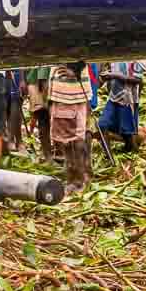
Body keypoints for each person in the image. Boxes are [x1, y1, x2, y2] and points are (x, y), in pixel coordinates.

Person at [49, 61, 92, 193]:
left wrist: (75, 71)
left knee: (72, 140)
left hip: (69, 94)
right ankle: (79, 176)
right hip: (68, 92)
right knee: (70, 139)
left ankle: (77, 180)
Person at [98, 60, 142, 156]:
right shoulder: (113, 58)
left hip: (128, 99)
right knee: (102, 124)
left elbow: (138, 79)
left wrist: (115, 76)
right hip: (113, 97)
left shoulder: (135, 59)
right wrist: (106, 77)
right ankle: (108, 156)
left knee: (128, 131)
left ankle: (133, 153)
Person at [25, 66, 53, 160]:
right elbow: (43, 76)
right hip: (40, 86)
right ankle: (47, 155)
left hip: (41, 83)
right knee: (44, 119)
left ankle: (47, 153)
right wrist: (46, 99)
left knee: (44, 121)